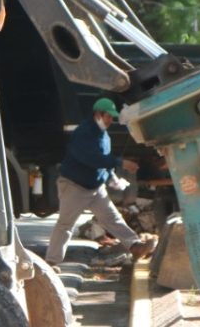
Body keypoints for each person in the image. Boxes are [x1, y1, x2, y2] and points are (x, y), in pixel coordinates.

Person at [45, 97, 155, 266]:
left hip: (95, 187)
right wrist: (120, 163)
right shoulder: (84, 132)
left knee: (113, 218)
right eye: (108, 116)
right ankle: (51, 263)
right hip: (74, 186)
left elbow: (103, 161)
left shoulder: (104, 136)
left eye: (112, 117)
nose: (111, 120)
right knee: (65, 225)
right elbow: (92, 159)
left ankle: (135, 246)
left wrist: (112, 177)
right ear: (98, 114)